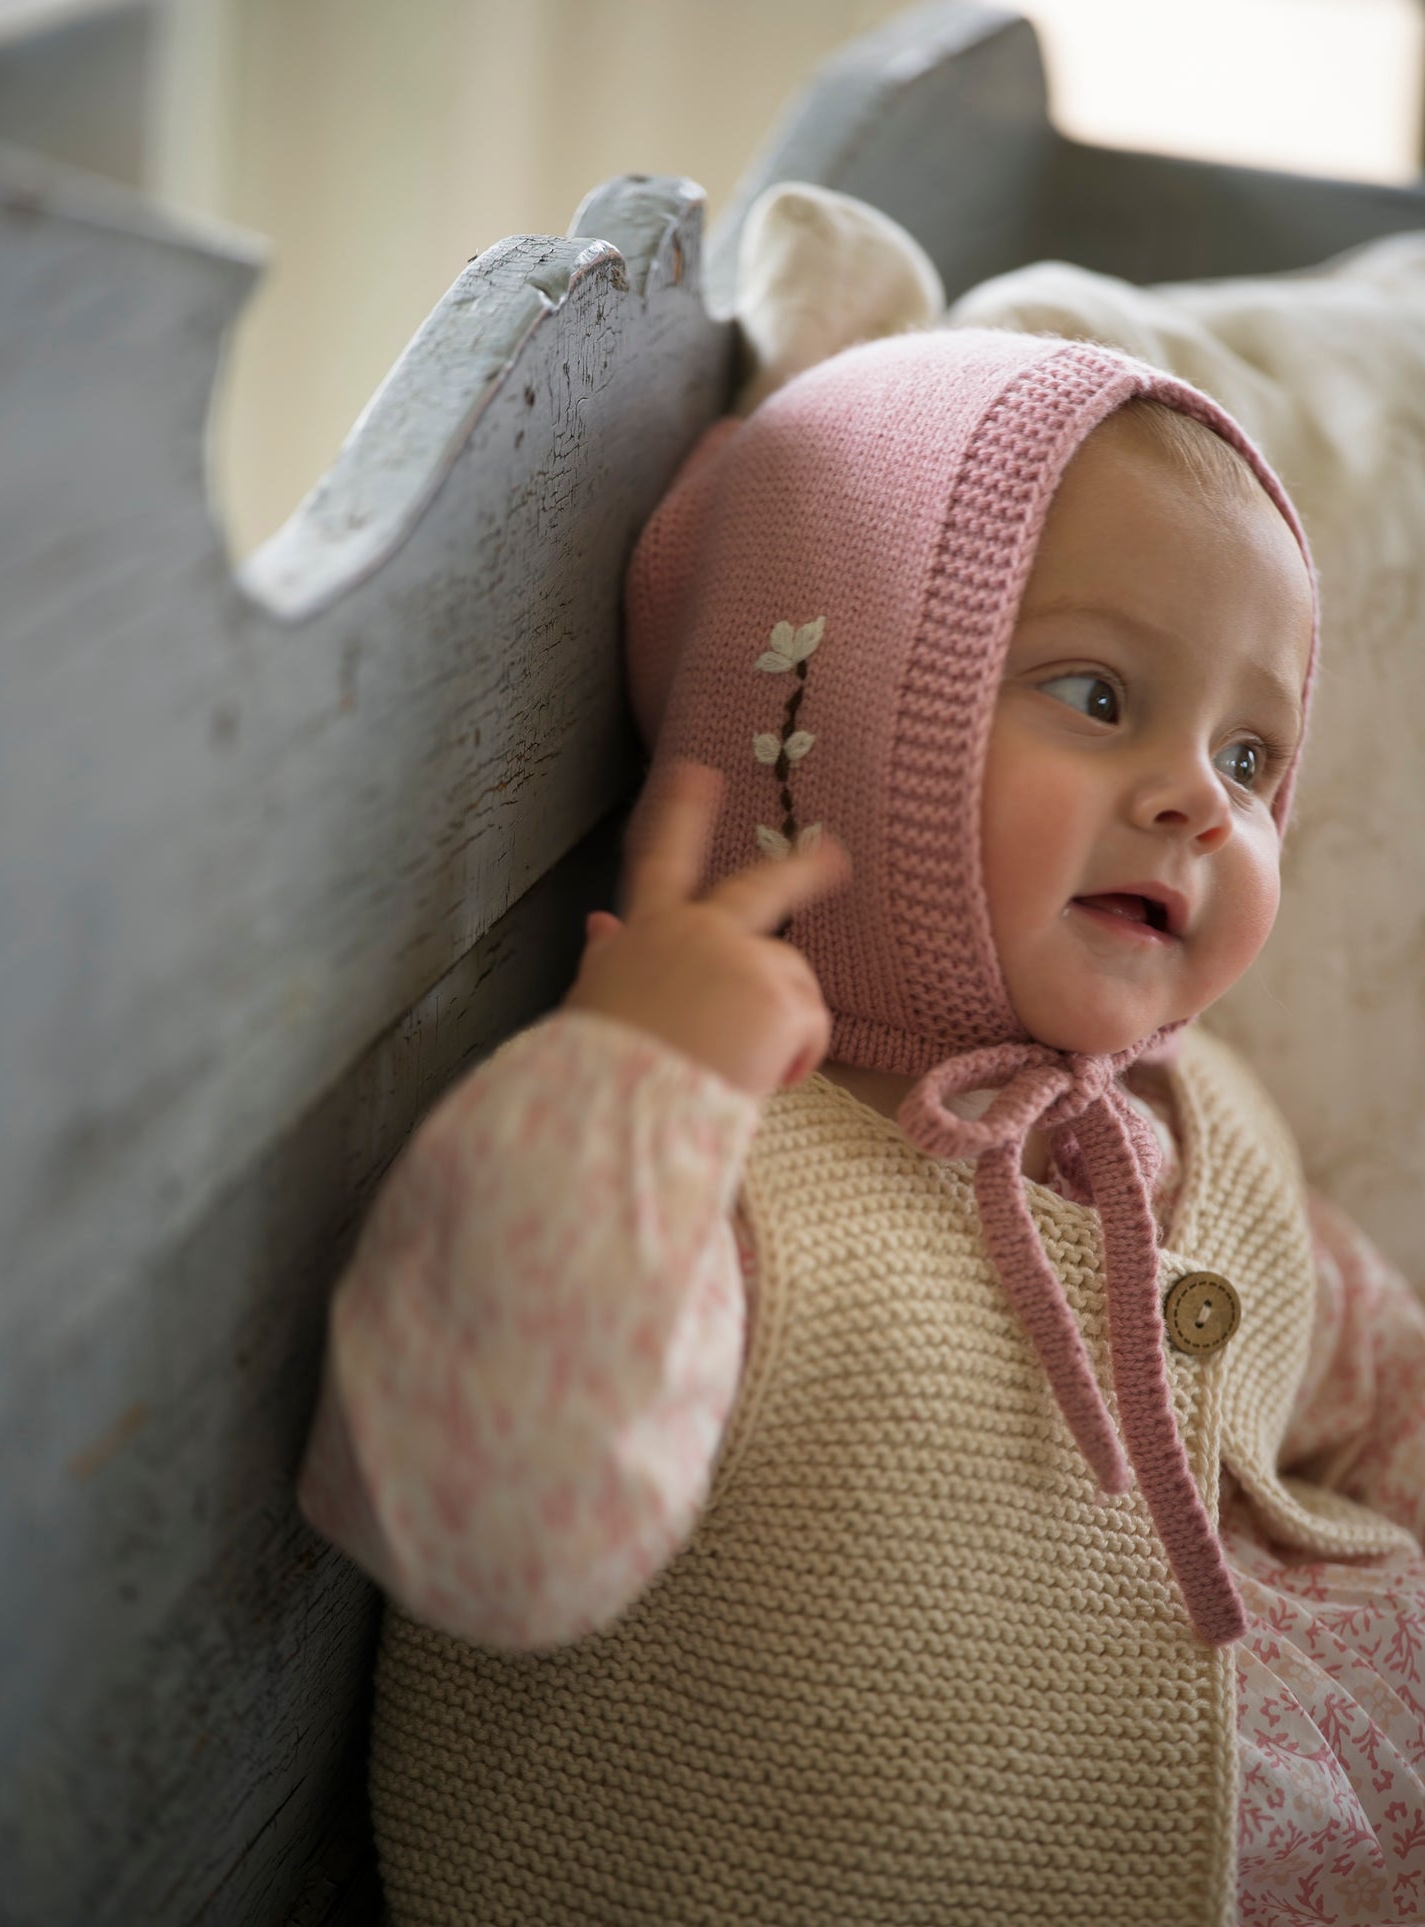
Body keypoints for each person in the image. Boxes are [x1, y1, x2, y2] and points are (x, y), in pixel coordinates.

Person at [297, 327, 1425, 1926]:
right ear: (840, 731)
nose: (1199, 798)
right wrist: (630, 1090)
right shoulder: (725, 1179)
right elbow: (488, 1525)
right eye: (1099, 696)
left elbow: (1378, 1388)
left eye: (1251, 757)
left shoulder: (1192, 1125)